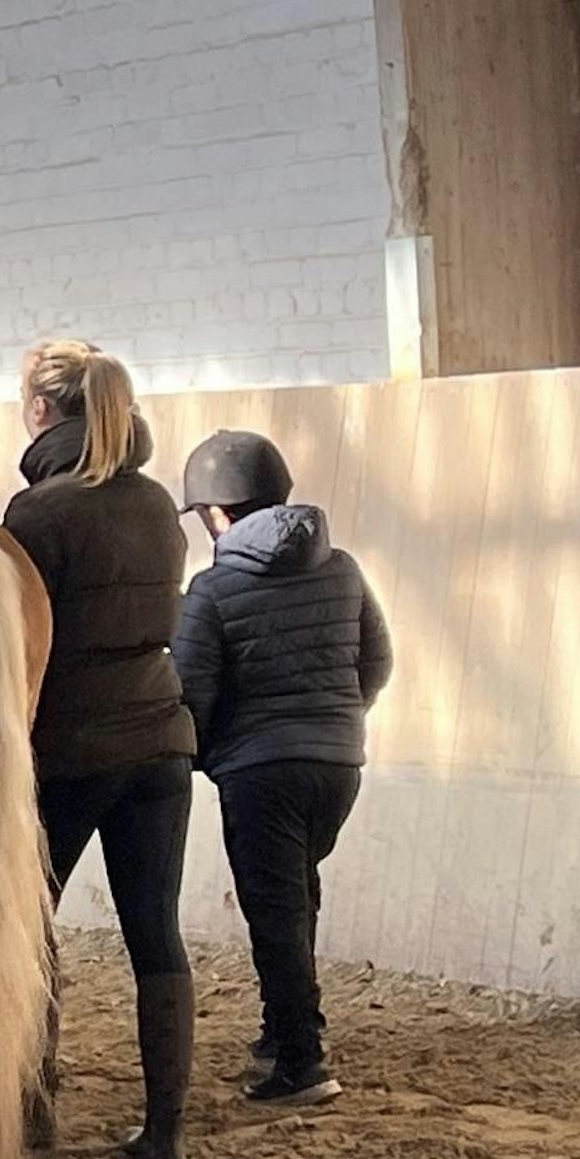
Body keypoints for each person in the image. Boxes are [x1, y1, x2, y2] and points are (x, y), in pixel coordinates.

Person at [1, 339, 197, 1159]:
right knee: (158, 936)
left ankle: (34, 1101)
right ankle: (165, 1137)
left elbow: (19, 647)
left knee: (27, 925)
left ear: (43, 411)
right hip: (159, 737)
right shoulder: (158, 505)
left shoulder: (38, 514)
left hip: (67, 746)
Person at [173, 432, 392, 1108]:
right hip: (338, 766)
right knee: (299, 893)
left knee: (275, 912)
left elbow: (193, 689)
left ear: (218, 512)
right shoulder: (344, 569)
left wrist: (210, 756)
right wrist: (339, 719)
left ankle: (303, 1061)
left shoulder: (213, 589)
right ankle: (283, 1029)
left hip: (260, 772)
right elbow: (377, 661)